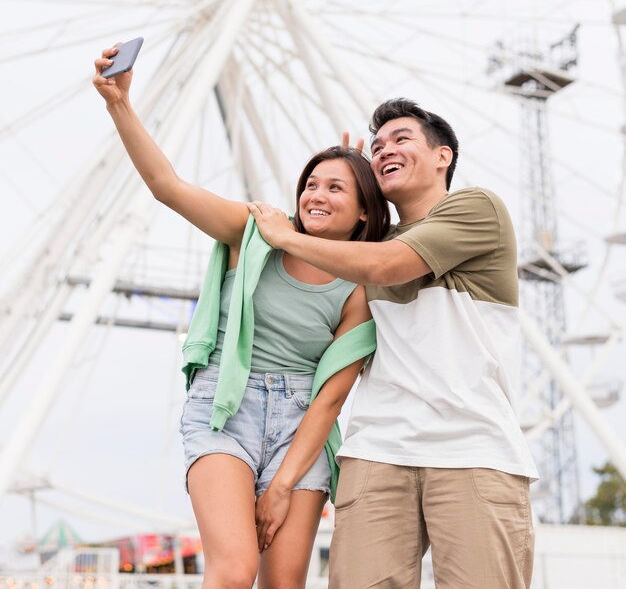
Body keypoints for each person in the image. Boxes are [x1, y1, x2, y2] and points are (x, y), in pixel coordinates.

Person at [93, 45, 390, 589]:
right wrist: (119, 104)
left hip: (301, 425)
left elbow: (330, 397)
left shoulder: (362, 288)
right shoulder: (255, 233)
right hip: (225, 410)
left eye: (335, 187)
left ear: (365, 210)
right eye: (311, 184)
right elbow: (168, 186)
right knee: (233, 571)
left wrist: (282, 486)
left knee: (283, 584)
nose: (315, 195)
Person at [248, 98, 539, 589]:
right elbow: (339, 248)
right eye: (377, 146)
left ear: (443, 156)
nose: (385, 150)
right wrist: (344, 190)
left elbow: (388, 266)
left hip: (471, 447)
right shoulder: (364, 246)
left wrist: (285, 236)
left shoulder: (475, 208)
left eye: (401, 139)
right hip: (377, 451)